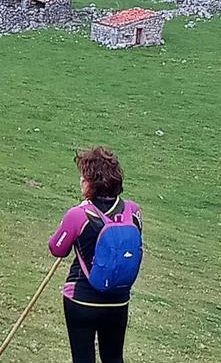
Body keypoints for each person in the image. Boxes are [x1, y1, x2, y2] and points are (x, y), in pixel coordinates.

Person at [48, 146, 143, 363]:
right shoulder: (133, 211)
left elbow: (57, 249)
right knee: (114, 359)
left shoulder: (78, 215)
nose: (81, 181)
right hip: (118, 300)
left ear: (91, 182)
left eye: (84, 177)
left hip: (82, 300)